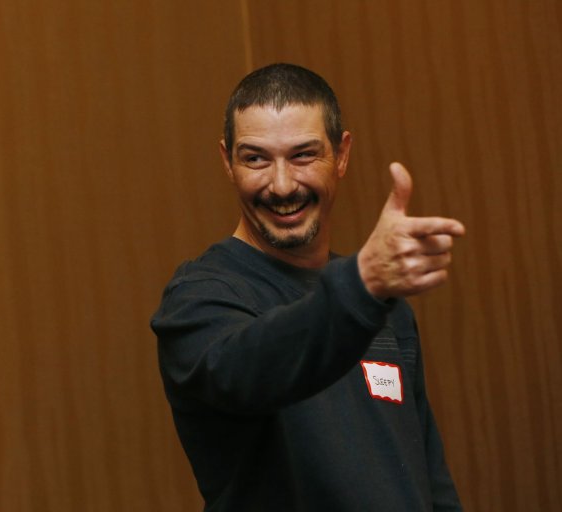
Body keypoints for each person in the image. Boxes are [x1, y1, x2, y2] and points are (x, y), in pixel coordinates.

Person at [150, 63, 464, 511]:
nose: (281, 185)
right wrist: (361, 285)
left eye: (302, 155)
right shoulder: (199, 299)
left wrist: (366, 288)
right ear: (227, 161)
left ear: (342, 155)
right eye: (256, 158)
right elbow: (252, 369)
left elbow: (427, 478)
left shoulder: (382, 304)